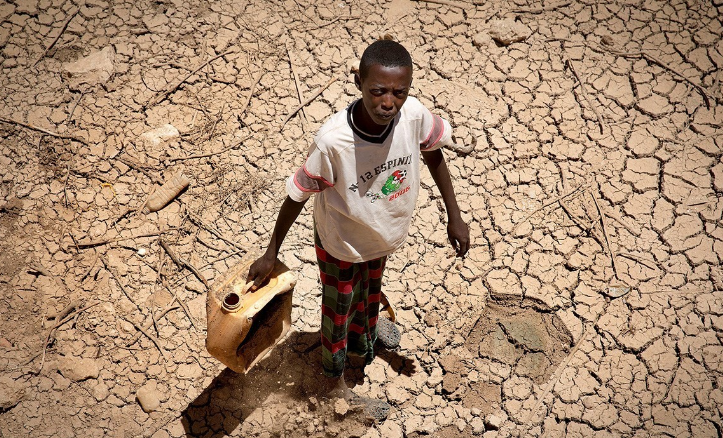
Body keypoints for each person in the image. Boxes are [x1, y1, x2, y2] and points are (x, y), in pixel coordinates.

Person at [246, 39, 469, 420]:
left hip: (379, 237)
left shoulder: (413, 116)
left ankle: (364, 344)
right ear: (359, 83)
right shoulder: (334, 142)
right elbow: (297, 196)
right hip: (341, 244)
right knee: (338, 310)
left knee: (371, 292)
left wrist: (455, 214)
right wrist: (271, 253)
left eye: (399, 92)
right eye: (377, 91)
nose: (388, 102)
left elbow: (434, 154)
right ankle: (334, 383)